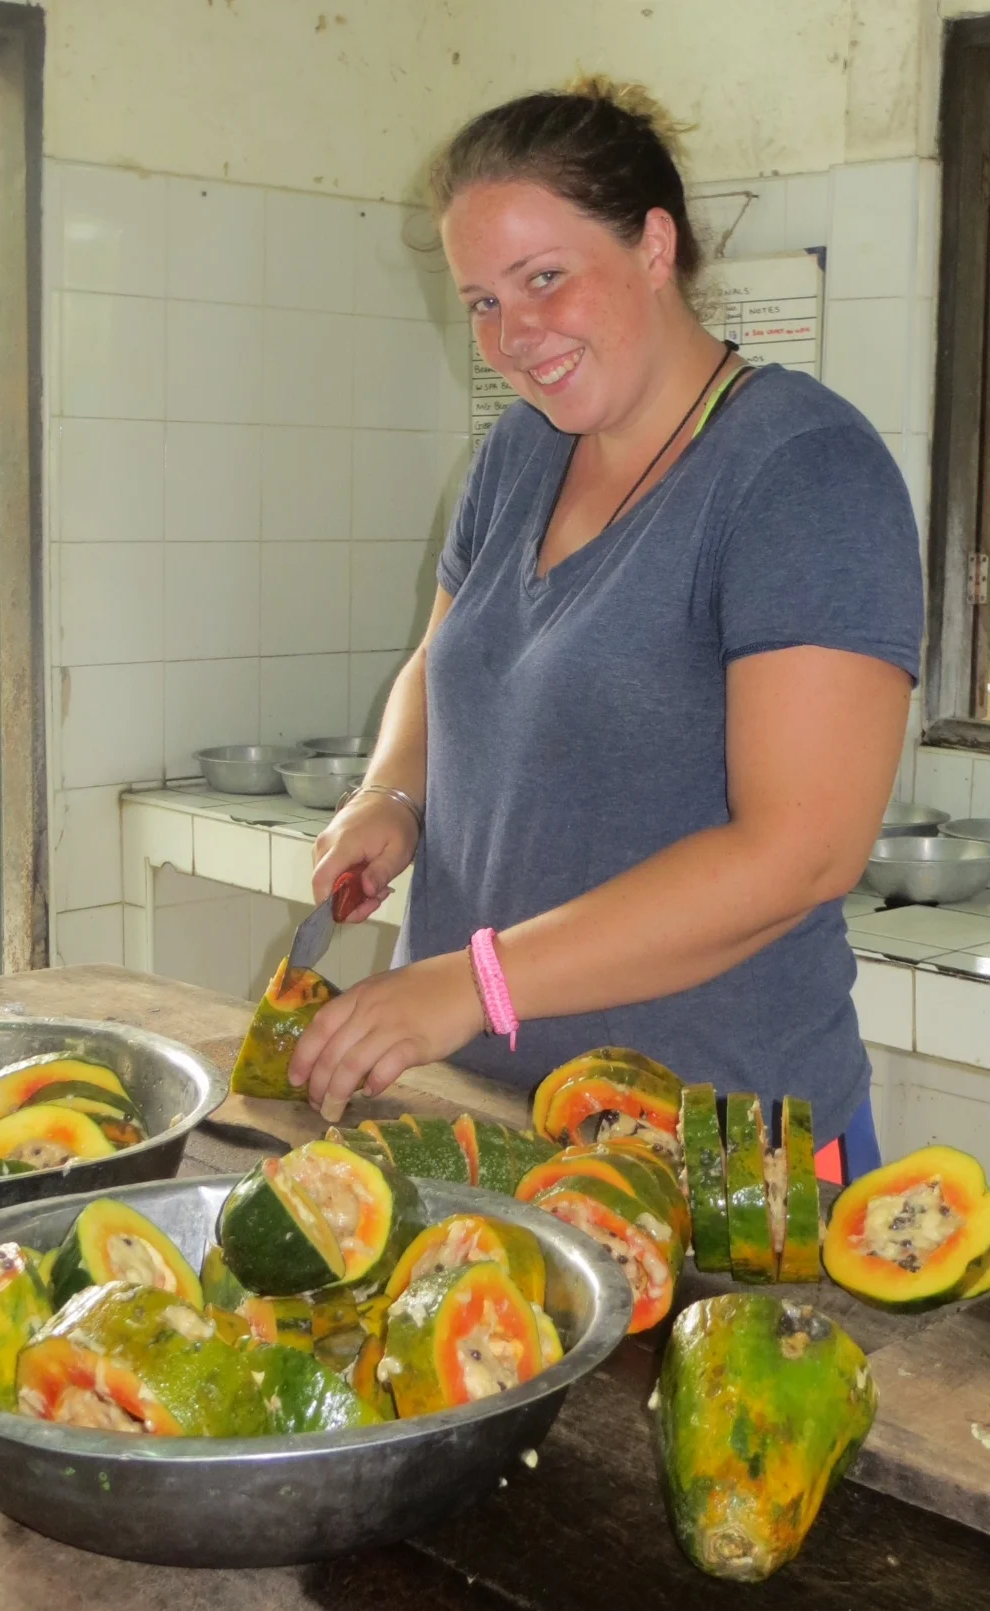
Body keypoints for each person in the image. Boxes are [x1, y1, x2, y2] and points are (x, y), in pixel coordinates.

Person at [288, 78, 923, 1178]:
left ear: (653, 245)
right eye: (482, 300)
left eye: (545, 279)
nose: (515, 334)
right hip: (486, 1114)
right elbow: (442, 664)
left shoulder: (799, 471)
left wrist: (475, 981)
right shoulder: (519, 452)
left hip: (716, 1152)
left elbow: (801, 855)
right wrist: (390, 795)